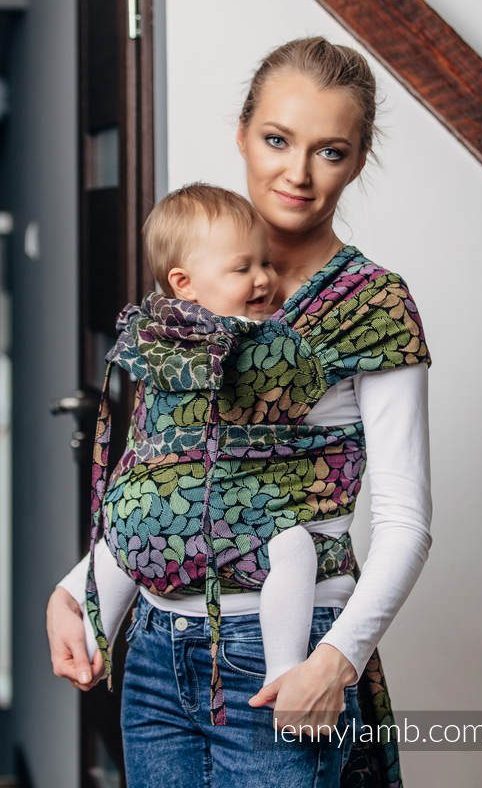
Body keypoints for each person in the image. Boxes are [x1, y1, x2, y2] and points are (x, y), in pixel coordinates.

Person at [47, 37, 432, 787]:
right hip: (156, 648)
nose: (297, 173)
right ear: (242, 134)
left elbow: (405, 520)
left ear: (358, 160)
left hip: (282, 649)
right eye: (277, 140)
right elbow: (161, 480)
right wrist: (75, 593)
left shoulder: (372, 307)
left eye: (330, 151)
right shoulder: (190, 292)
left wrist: (335, 660)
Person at [80, 182, 322, 716]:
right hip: (222, 506)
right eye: (242, 268)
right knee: (294, 547)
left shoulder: (149, 334)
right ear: (184, 283)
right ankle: (283, 667)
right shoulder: (251, 338)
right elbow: (300, 383)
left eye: (265, 262)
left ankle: (98, 636)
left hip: (151, 503)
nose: (264, 278)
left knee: (122, 542)